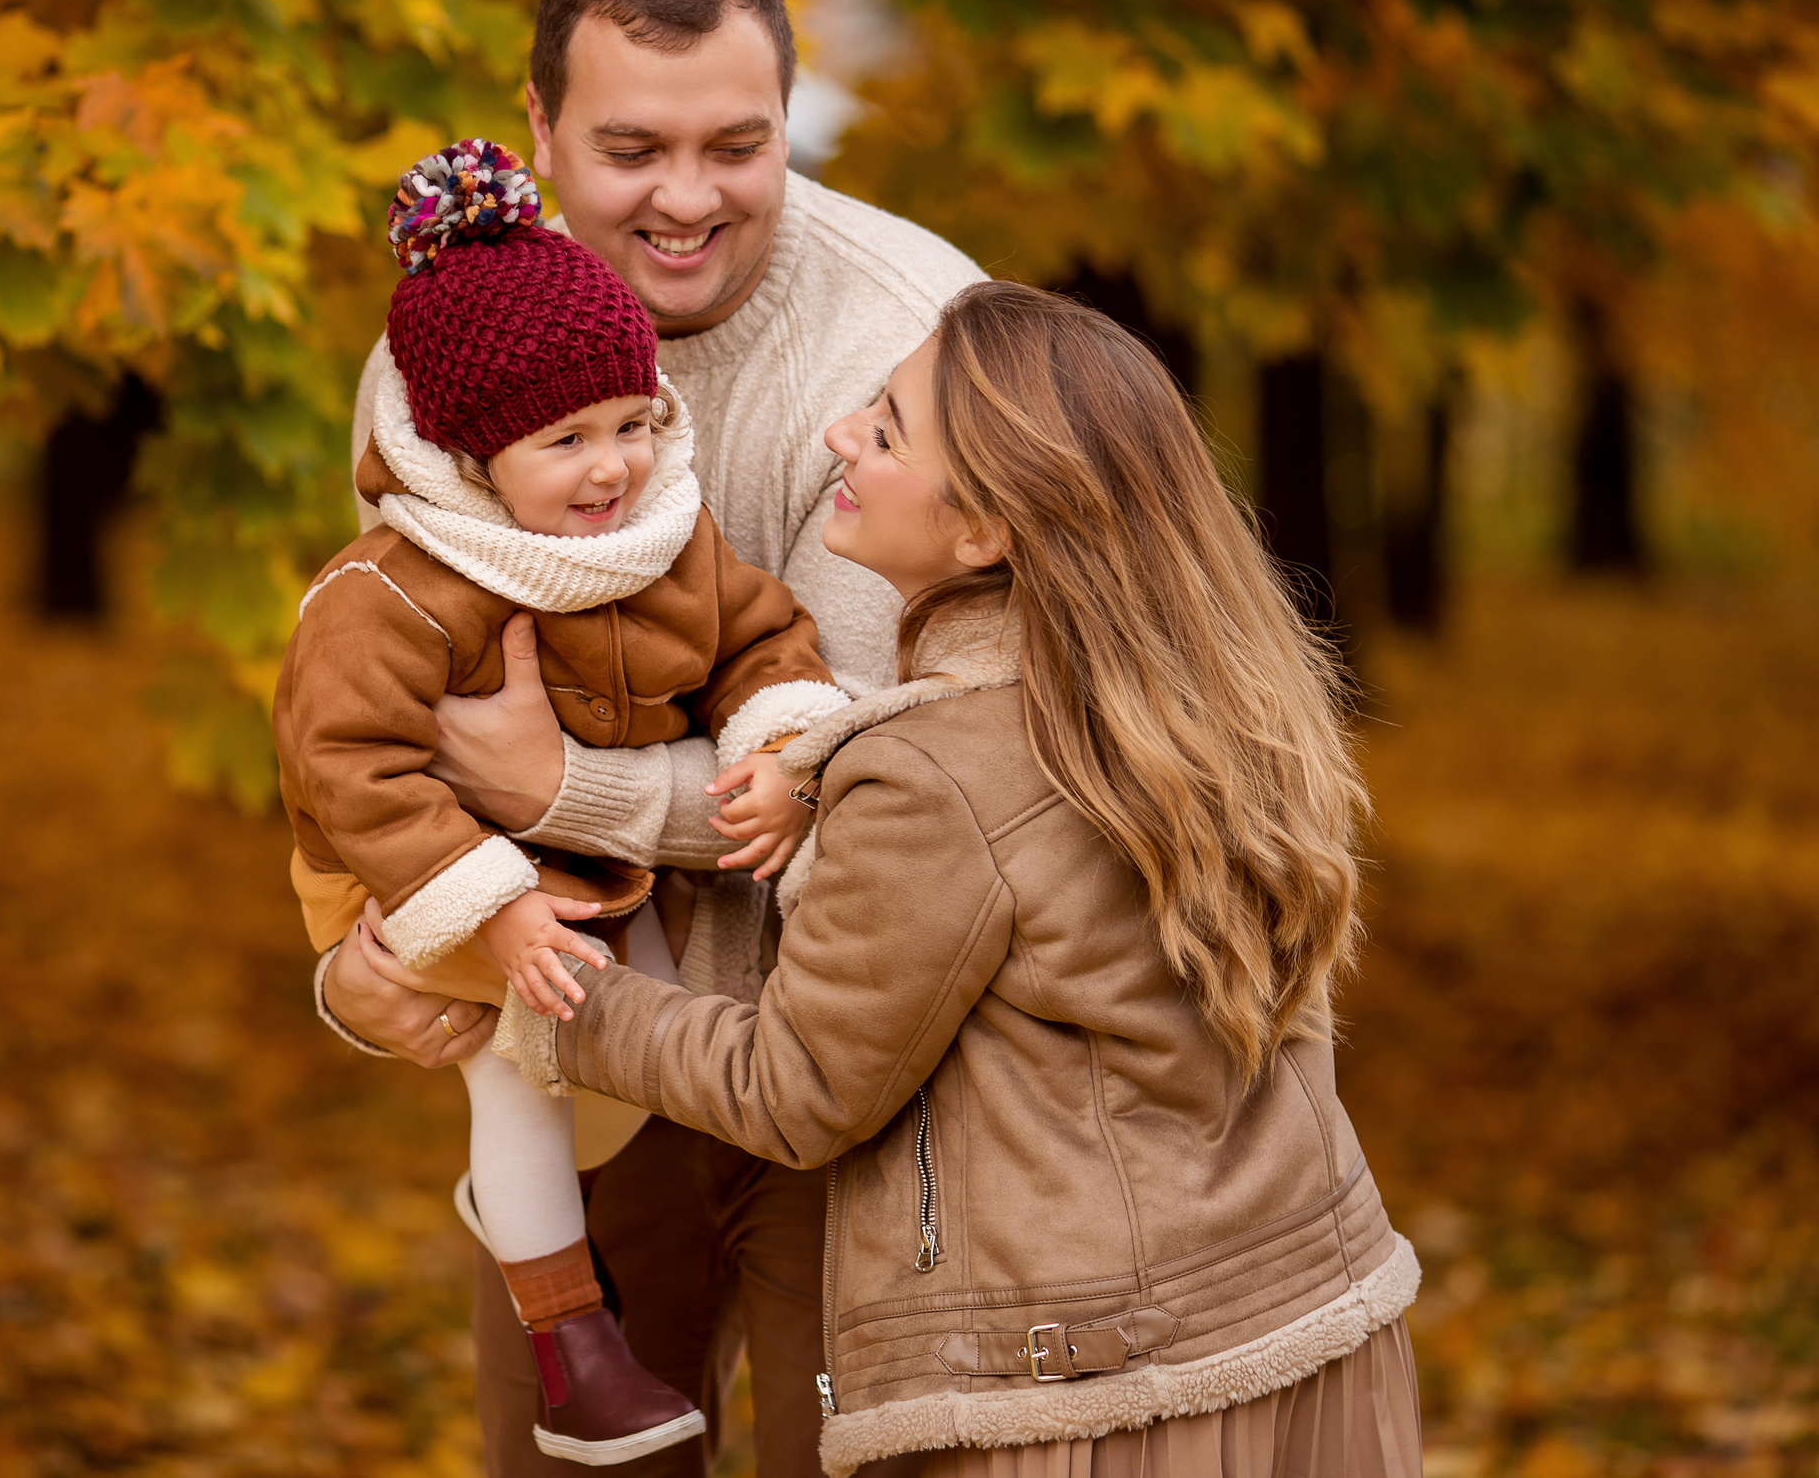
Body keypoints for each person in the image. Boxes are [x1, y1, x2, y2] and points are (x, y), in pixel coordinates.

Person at [550, 281, 1425, 1478]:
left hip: (1100, 1404)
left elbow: (795, 1087)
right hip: (1314, 1329)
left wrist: (556, 996)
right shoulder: (1207, 712)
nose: (840, 436)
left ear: (982, 536)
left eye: (889, 428)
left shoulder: (928, 778)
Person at [319, 0, 987, 1476]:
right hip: (582, 1053)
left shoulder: (917, 345)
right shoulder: (442, 363)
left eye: (736, 144)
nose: (688, 198)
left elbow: (896, 797)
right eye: (632, 147)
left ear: (791, 116)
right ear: (541, 125)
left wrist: (563, 790)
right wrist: (356, 972)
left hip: (879, 1076)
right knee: (563, 1451)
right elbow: (381, 720)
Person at [281, 138, 848, 1463]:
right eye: (566, 442)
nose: (614, 469)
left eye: (635, 424)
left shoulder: (661, 535)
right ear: (476, 460)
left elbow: (761, 631)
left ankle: (629, 1223)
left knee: (638, 1024)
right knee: (519, 1064)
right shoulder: (398, 588)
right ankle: (569, 1336)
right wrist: (488, 901)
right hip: (421, 857)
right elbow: (349, 764)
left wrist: (776, 734)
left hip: (585, 858)